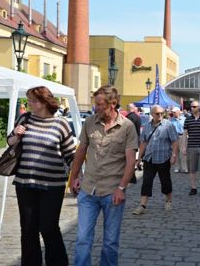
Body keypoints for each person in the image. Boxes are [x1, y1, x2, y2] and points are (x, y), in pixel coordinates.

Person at [69, 85, 138, 266]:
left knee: (110, 242)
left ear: (113, 103)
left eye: (100, 104)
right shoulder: (90, 122)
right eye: (95, 104)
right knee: (83, 239)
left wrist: (122, 188)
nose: (96, 108)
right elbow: (81, 151)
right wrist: (73, 177)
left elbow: (131, 161)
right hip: (88, 190)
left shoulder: (127, 127)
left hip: (113, 192)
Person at [9, 86, 76, 266]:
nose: (29, 103)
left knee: (48, 227)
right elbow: (10, 141)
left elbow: (70, 154)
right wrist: (16, 135)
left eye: (33, 100)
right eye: (29, 99)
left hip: (52, 185)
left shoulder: (60, 124)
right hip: (25, 183)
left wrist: (77, 177)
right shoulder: (25, 118)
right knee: (28, 229)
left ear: (45, 102)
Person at [132, 105, 179, 215]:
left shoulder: (168, 125)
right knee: (146, 182)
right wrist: (139, 158)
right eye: (157, 113)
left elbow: (175, 141)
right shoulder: (147, 126)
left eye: (162, 113)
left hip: (164, 158)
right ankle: (142, 205)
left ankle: (168, 200)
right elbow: (143, 142)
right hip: (149, 158)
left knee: (165, 181)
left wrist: (174, 155)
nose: (160, 115)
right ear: (152, 114)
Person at [183, 100, 200, 196]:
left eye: (194, 106)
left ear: (199, 107)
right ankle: (193, 187)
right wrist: (183, 146)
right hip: (191, 146)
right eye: (191, 106)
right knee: (192, 168)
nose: (192, 108)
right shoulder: (187, 119)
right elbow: (185, 134)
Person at [170, 107, 188, 173]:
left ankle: (185, 168)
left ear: (178, 112)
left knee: (183, 152)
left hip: (182, 136)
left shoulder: (184, 119)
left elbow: (187, 129)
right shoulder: (171, 120)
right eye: (173, 112)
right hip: (174, 137)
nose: (173, 113)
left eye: (174, 112)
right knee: (175, 153)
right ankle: (177, 167)